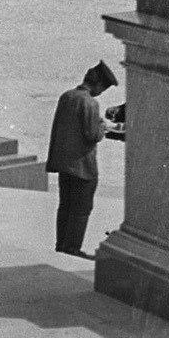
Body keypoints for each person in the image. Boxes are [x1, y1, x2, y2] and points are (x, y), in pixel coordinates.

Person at [47, 62, 118, 258]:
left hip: (64, 163)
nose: (100, 93)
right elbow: (92, 135)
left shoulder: (67, 96)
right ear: (98, 85)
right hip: (83, 166)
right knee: (81, 208)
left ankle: (61, 244)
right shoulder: (90, 103)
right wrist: (103, 126)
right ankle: (72, 247)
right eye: (102, 89)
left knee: (65, 205)